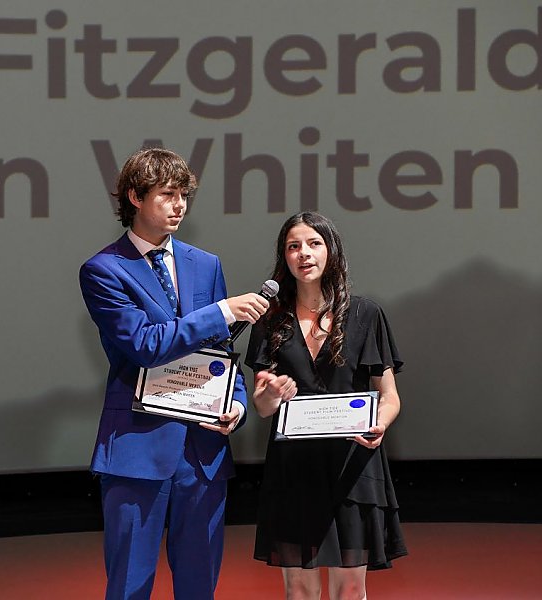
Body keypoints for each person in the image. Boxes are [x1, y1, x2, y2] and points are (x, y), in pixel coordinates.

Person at [79, 147, 270, 599]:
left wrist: (238, 405)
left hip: (203, 451)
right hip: (137, 451)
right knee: (129, 583)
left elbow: (223, 353)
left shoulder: (205, 263)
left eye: (184, 194)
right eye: (167, 194)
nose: (180, 204)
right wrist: (221, 311)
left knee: (199, 583)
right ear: (135, 197)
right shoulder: (104, 270)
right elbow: (145, 345)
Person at [245, 211, 407, 600]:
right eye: (293, 246)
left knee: (349, 587)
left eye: (314, 243)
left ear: (331, 250)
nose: (304, 254)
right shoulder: (269, 318)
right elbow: (263, 406)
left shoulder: (365, 313)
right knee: (298, 587)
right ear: (283, 257)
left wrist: (379, 425)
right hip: (294, 468)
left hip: (353, 462)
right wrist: (270, 392)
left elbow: (389, 397)